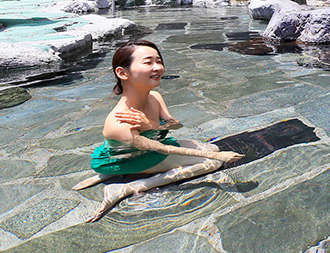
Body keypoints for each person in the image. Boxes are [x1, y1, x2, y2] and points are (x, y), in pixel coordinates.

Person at [79, 39, 242, 222]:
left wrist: (150, 125)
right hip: (132, 157)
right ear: (122, 73)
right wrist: (219, 158)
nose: (158, 67)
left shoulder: (155, 97)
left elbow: (175, 126)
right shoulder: (120, 122)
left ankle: (115, 176)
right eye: (148, 62)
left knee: (211, 148)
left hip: (150, 147)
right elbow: (163, 149)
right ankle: (127, 187)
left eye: (159, 61)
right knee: (213, 162)